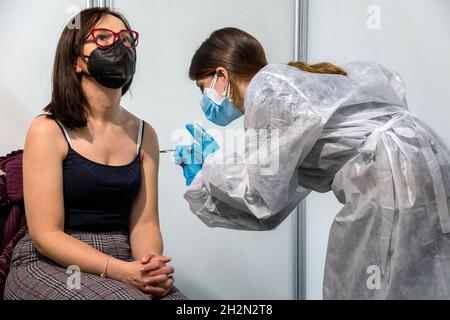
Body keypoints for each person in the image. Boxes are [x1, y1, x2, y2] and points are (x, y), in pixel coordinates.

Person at [174, 27, 450, 299]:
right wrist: (214, 172)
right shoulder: (289, 83)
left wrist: (208, 167)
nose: (205, 101)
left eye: (203, 88)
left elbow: (262, 198)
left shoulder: (268, 91)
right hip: (421, 161)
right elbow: (279, 186)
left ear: (221, 74)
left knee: (366, 288)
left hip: (391, 179)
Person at [4, 8, 186, 300]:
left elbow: (145, 224)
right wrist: (120, 271)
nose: (119, 46)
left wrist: (149, 268)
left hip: (122, 256)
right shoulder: (47, 130)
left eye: (127, 40)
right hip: (53, 261)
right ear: (77, 60)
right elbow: (46, 235)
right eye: (103, 38)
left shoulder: (144, 134)